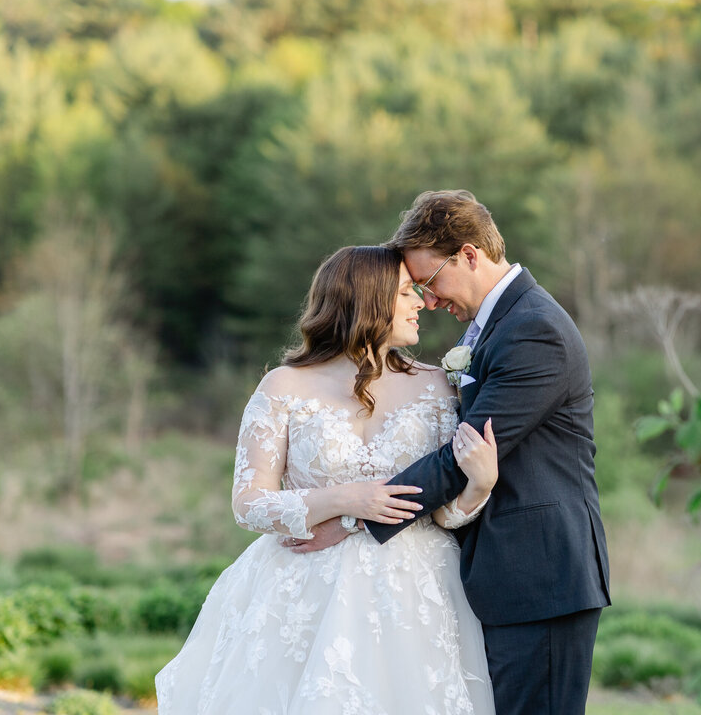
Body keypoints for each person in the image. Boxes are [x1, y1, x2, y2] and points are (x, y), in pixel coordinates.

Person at [289, 192, 611, 715]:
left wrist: (352, 517)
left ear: (468, 255)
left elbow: (458, 458)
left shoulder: (535, 331)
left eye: (429, 281)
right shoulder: (503, 324)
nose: (430, 301)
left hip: (541, 575)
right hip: (503, 575)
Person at [155, 245, 499, 715]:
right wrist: (343, 498)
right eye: (405, 293)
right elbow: (248, 502)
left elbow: (440, 511)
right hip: (301, 594)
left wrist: (479, 487)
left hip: (414, 595)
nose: (422, 303)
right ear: (366, 301)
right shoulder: (283, 386)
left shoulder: (438, 385)